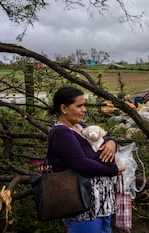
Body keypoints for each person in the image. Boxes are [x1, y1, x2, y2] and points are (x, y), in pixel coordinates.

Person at [47, 86, 125, 233]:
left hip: (101, 204)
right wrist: (114, 169)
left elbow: (101, 138)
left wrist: (111, 142)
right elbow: (82, 164)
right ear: (64, 108)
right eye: (79, 106)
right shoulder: (61, 133)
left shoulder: (80, 126)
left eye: (84, 105)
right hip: (83, 208)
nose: (84, 109)